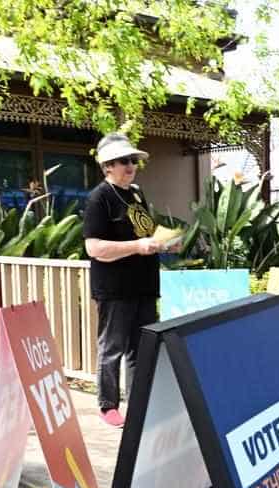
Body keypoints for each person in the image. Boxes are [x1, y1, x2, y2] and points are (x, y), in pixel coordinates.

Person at [84, 133, 173, 428]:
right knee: (112, 349)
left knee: (140, 348)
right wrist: (137, 247)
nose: (131, 165)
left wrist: (167, 241)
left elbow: (144, 232)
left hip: (144, 287)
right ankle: (108, 405)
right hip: (115, 290)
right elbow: (94, 248)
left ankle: (138, 405)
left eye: (133, 160)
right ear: (107, 166)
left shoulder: (135, 193)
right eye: (124, 160)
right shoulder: (100, 198)